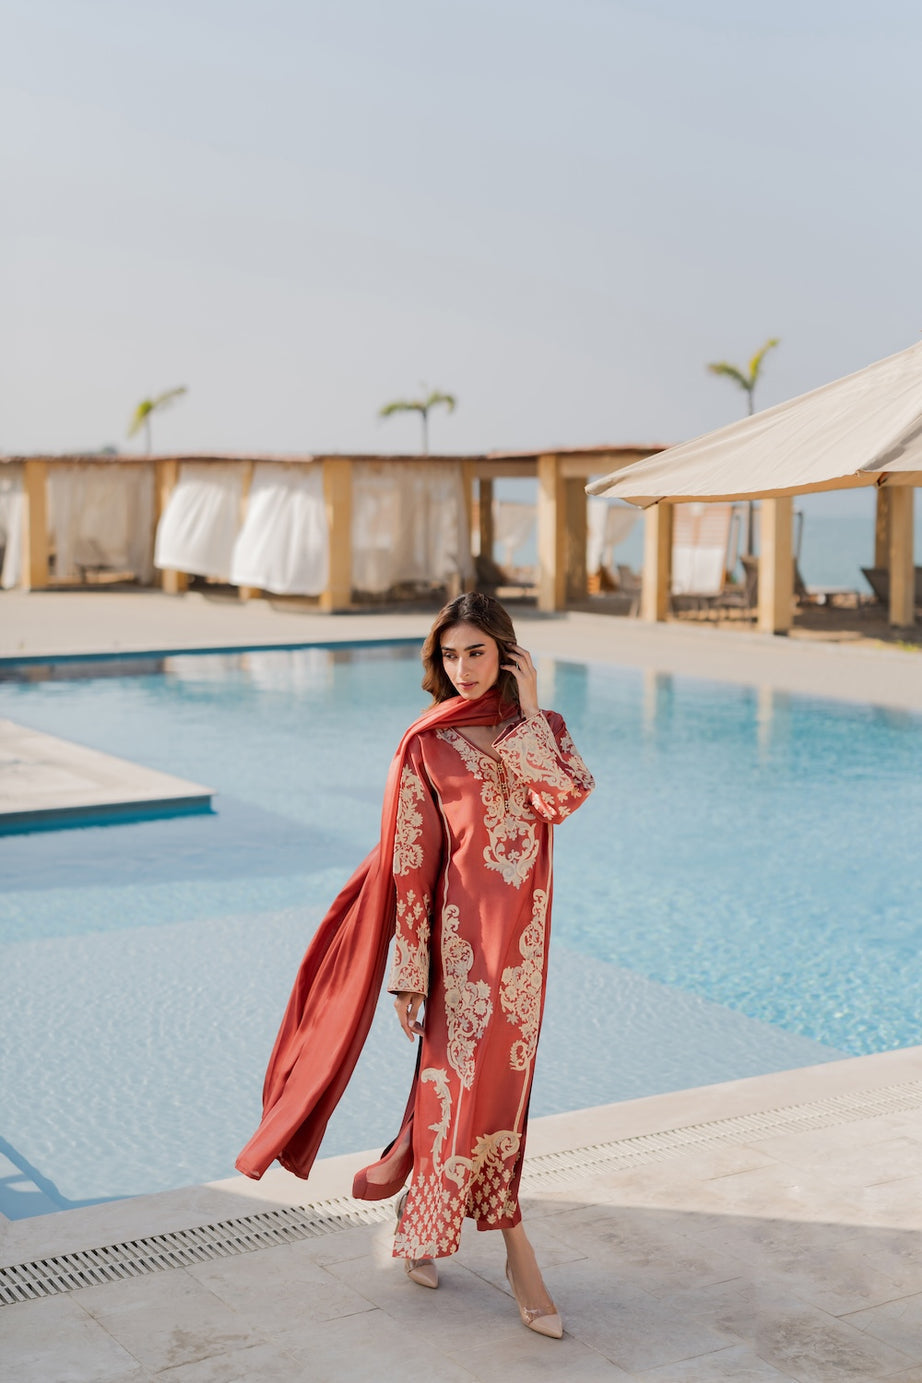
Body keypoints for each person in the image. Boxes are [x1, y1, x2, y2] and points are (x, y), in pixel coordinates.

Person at [236, 593, 593, 1339]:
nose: (463, 669)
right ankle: (516, 1253)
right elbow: (412, 860)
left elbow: (563, 800)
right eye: (450, 655)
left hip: (522, 950)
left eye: (477, 653)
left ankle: (419, 1207)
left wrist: (529, 711)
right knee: (453, 1089)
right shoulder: (427, 743)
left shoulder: (545, 729)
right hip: (458, 948)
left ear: (508, 654)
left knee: (499, 1095)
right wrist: (410, 967)